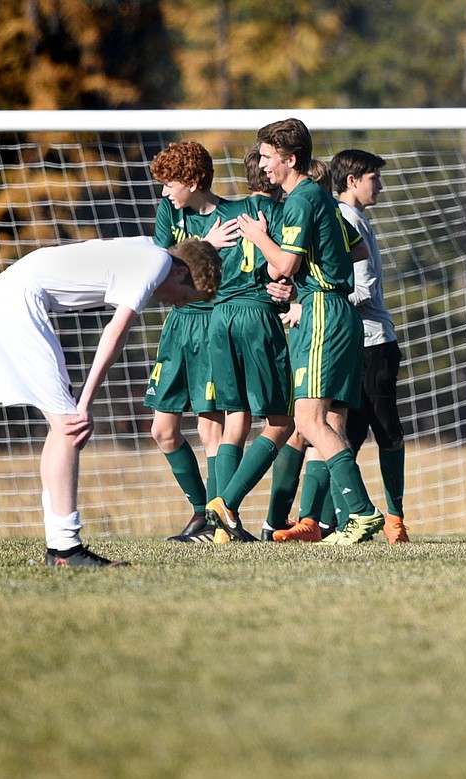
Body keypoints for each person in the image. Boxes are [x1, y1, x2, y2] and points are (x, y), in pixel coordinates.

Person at [0, 237, 221, 566]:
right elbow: (116, 332)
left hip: (10, 295)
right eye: (185, 297)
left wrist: (207, 247)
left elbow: (183, 251)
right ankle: (66, 548)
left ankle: (59, 547)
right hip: (19, 301)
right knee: (71, 425)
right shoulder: (158, 264)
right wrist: (86, 400)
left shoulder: (150, 250)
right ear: (180, 274)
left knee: (60, 428)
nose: (178, 304)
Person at [234, 118, 385, 546]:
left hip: (321, 313)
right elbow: (345, 249)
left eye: (266, 157)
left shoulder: (302, 198)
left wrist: (258, 236)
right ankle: (341, 520)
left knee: (307, 420)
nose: (262, 165)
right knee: (330, 420)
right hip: (334, 309)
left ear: (290, 158)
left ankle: (360, 512)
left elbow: (283, 263)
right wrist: (296, 277)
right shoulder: (317, 199)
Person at [196, 145, 297, 544]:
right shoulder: (282, 214)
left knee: (234, 421)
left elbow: (197, 261)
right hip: (256, 316)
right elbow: (280, 267)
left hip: (220, 319)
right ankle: (227, 505)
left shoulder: (223, 213)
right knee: (281, 421)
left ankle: (220, 531)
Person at [147, 141, 229, 541]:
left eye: (171, 184)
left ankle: (218, 521)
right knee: (162, 430)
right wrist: (206, 247)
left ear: (194, 182)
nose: (164, 192)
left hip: (213, 327)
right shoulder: (169, 212)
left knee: (211, 429)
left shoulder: (233, 216)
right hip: (178, 327)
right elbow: (163, 264)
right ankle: (201, 511)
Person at [334, 148, 410, 543]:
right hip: (357, 344)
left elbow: (361, 289)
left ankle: (394, 520)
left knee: (384, 431)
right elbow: (359, 286)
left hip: (372, 344)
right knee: (342, 432)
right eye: (373, 178)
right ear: (352, 180)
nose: (378, 184)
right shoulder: (344, 218)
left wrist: (312, 305)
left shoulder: (353, 220)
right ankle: (339, 520)